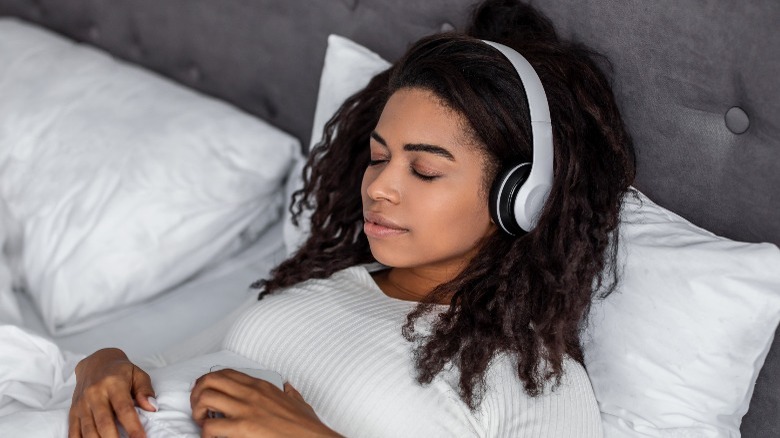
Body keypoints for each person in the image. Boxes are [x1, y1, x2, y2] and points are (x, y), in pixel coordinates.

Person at [68, 0, 636, 436]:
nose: (380, 186)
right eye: (380, 157)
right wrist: (102, 364)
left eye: (425, 171)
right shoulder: (316, 286)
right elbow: (161, 366)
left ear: (519, 197)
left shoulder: (534, 378)